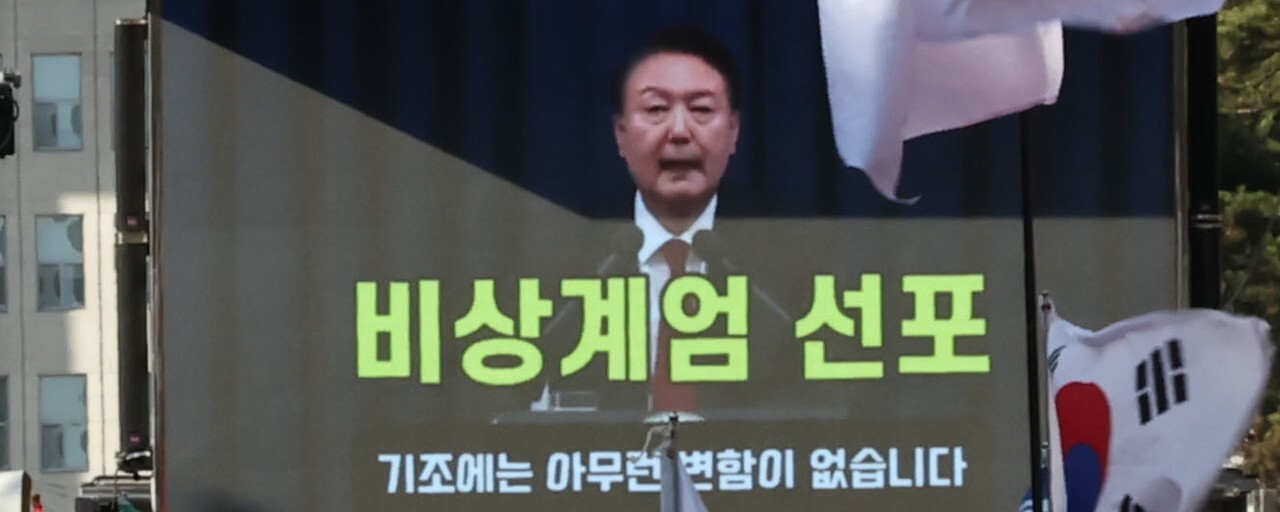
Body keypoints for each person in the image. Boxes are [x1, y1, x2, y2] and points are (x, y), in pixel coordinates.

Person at [533, 25, 830, 422]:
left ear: (734, 132)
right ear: (621, 135)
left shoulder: (794, 266)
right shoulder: (563, 262)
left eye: (701, 110)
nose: (678, 132)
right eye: (656, 110)